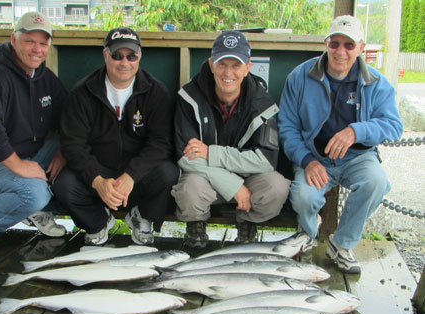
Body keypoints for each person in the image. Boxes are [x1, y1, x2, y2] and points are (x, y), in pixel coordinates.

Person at [278, 15, 403, 274]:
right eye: (334, 44)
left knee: (376, 182)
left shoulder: (377, 83)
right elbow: (287, 127)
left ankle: (341, 244)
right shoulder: (300, 76)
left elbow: (394, 126)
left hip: (357, 157)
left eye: (349, 45)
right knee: (303, 196)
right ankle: (309, 234)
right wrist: (306, 160)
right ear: (326, 44)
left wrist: (356, 132)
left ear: (361, 48)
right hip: (314, 156)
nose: (341, 52)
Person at [53, 27, 177, 246]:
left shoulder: (156, 92)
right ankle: (98, 222)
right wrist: (97, 180)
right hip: (99, 170)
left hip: (136, 176)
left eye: (131, 56)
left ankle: (142, 217)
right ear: (105, 55)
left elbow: (161, 143)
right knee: (64, 185)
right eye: (117, 55)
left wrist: (131, 176)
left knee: (168, 172)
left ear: (140, 56)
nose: (124, 62)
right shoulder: (82, 92)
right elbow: (73, 145)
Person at [171, 31, 290, 248]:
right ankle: (196, 224)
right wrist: (232, 185)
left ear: (248, 67)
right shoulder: (189, 96)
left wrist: (211, 153)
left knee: (277, 187)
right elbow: (185, 156)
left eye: (235, 65)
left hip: (249, 181)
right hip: (208, 183)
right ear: (211, 64)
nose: (228, 72)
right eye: (221, 64)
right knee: (190, 189)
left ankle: (247, 222)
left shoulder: (262, 102)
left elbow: (266, 160)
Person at [0, 11, 68, 248]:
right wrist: (20, 166)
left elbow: (69, 115)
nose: (36, 49)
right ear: (14, 39)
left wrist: (63, 152)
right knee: (36, 193)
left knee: (77, 149)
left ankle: (29, 210)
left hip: (31, 152)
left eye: (43, 43)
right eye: (29, 41)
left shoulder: (44, 76)